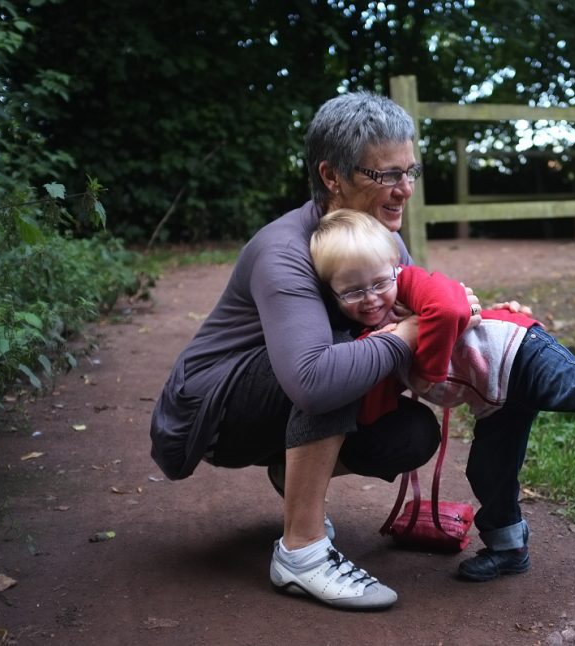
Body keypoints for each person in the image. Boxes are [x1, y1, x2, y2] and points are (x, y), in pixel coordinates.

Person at [149, 92, 487, 610]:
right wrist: (408, 334)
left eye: (410, 171)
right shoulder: (283, 250)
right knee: (335, 359)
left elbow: (421, 322)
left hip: (282, 398)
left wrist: (473, 319)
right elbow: (316, 380)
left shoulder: (383, 241)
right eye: (386, 175)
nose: (405, 189)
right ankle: (301, 553)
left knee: (412, 432)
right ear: (332, 176)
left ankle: (292, 475)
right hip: (211, 413)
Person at [309, 208, 575, 582]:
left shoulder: (409, 285)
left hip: (516, 350)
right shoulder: (369, 338)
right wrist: (371, 361)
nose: (371, 298)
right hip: (494, 398)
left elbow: (450, 308)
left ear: (396, 269)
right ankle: (508, 547)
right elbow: (374, 407)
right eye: (353, 291)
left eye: (379, 282)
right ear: (332, 294)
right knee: (486, 469)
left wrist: (425, 369)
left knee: (574, 387)